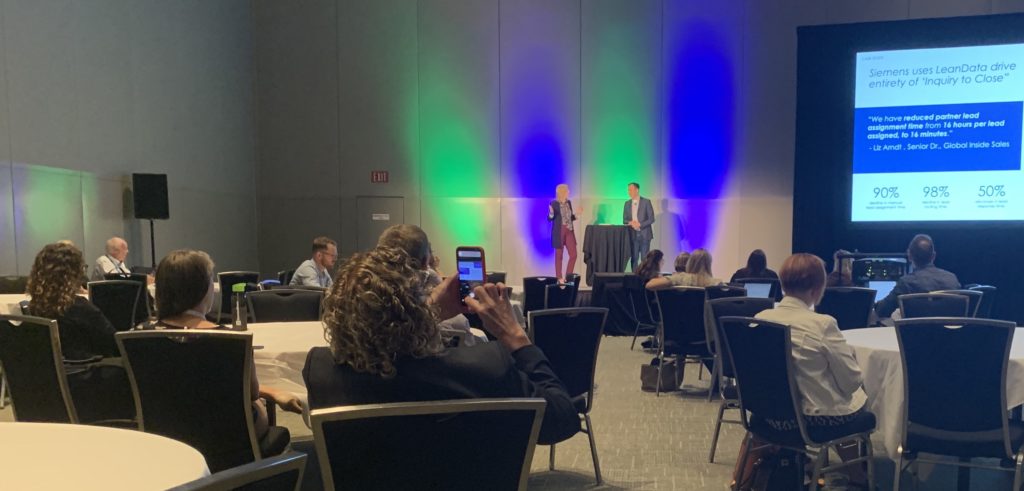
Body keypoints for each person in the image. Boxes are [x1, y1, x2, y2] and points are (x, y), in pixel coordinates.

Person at [302, 245, 580, 445]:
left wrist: (424, 312)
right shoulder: (483, 369)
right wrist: (515, 337)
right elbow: (561, 419)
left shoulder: (321, 372)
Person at [152, 249, 303, 438]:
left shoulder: (138, 337)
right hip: (228, 440)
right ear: (204, 289)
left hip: (165, 438)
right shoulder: (231, 340)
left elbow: (186, 386)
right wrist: (272, 393)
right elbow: (250, 393)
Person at [742, 253, 869, 473]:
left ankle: (742, 480)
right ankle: (858, 477)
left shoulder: (760, 318)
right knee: (858, 398)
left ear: (782, 283)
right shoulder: (823, 324)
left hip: (769, 413)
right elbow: (850, 382)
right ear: (818, 287)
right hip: (812, 419)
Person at [26, 242, 133, 422]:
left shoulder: (34, 307)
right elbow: (116, 345)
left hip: (51, 388)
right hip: (87, 386)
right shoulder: (80, 308)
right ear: (72, 273)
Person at [874, 234, 960, 318]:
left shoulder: (906, 283)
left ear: (910, 255)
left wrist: (875, 304)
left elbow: (882, 311)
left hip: (915, 332)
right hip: (948, 332)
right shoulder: (952, 279)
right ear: (933, 256)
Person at [646, 248, 722, 290]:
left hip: (678, 317)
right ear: (709, 264)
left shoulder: (681, 278)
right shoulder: (717, 284)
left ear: (690, 262)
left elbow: (649, 285)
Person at [548, 183, 578, 282]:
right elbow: (549, 218)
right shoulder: (554, 203)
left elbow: (570, 218)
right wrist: (551, 213)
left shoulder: (569, 202)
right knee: (559, 255)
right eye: (567, 190)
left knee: (573, 255)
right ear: (562, 192)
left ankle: (568, 277)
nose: (569, 192)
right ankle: (559, 277)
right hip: (559, 231)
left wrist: (577, 214)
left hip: (569, 230)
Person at [623, 182, 655, 271]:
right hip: (633, 235)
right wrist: (631, 222)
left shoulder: (646, 202)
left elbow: (652, 219)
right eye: (628, 190)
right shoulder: (627, 203)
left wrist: (640, 224)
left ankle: (644, 279)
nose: (629, 192)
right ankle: (634, 279)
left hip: (645, 234)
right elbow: (624, 220)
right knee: (634, 258)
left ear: (637, 190)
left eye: (631, 189)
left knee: (645, 259)